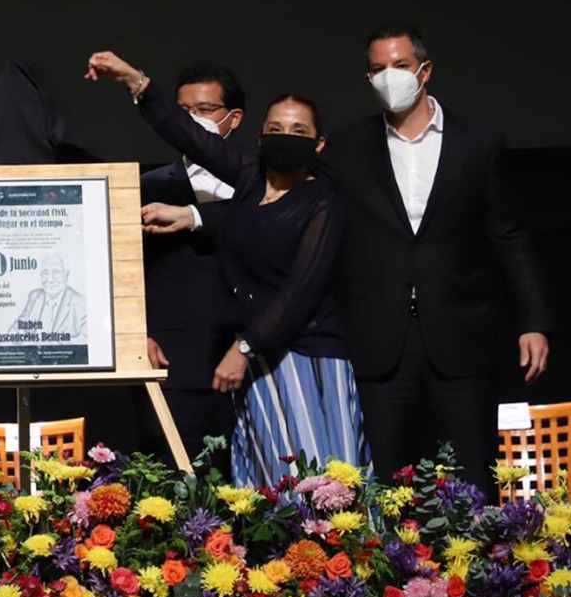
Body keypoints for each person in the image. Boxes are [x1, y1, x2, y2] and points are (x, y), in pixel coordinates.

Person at [86, 51, 368, 489]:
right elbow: (187, 136)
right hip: (257, 361)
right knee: (266, 481)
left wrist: (244, 347)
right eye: (275, 129)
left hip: (304, 357)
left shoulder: (322, 203)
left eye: (298, 131)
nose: (285, 137)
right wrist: (134, 80)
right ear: (260, 135)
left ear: (318, 144)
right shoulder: (252, 178)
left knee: (318, 482)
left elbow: (302, 291)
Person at [325, 25, 550, 493]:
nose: (389, 77)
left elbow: (508, 235)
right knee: (384, 481)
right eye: (378, 69)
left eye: (400, 65)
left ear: (425, 71)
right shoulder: (346, 145)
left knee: (473, 474)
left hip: (461, 331)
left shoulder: (478, 142)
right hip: (379, 338)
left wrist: (534, 321)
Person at [137, 65, 242, 473]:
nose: (192, 120)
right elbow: (125, 267)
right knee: (173, 479)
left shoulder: (261, 183)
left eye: (205, 109)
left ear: (234, 118)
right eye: (182, 111)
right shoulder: (147, 185)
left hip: (251, 355)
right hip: (173, 357)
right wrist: (137, 333)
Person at [9, 254, 87, 341]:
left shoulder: (80, 303)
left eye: (56, 272)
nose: (50, 280)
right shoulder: (34, 296)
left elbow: (85, 339)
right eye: (45, 273)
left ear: (66, 275)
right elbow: (17, 328)